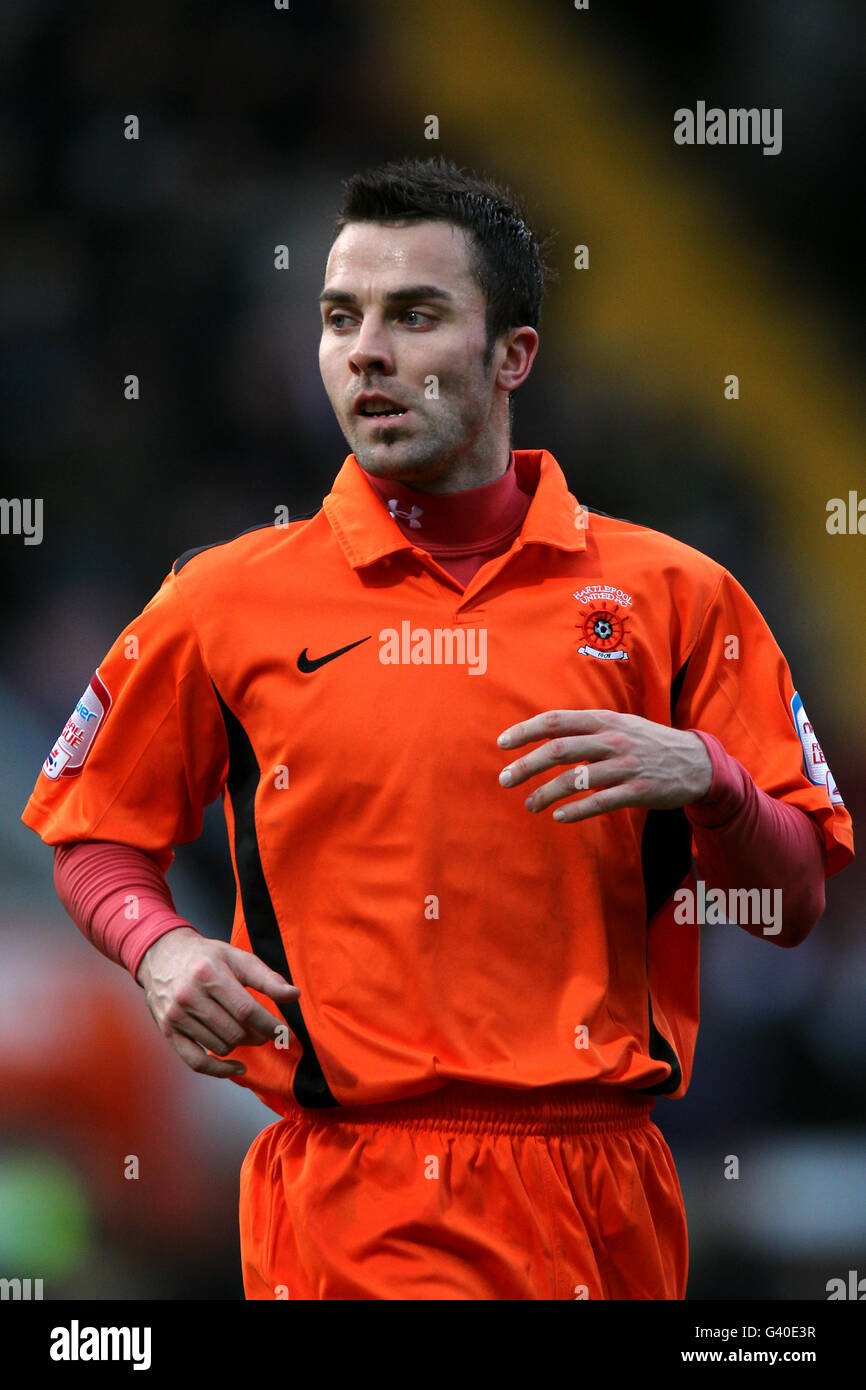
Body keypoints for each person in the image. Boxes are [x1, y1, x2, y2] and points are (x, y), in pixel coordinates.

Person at [22, 156, 854, 1301]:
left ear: (511, 356)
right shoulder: (223, 600)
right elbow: (95, 828)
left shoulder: (676, 597)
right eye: (338, 316)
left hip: (610, 1190)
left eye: (413, 315)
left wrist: (707, 777)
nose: (366, 349)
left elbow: (796, 895)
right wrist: (155, 945)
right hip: (360, 1189)